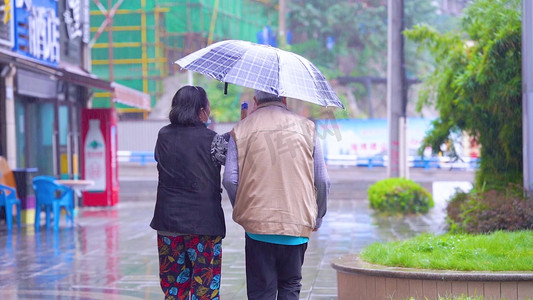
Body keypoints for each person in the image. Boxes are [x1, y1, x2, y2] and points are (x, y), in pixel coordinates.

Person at [223, 90, 330, 300]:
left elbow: (229, 179)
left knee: (261, 290)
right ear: (284, 99)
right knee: (290, 285)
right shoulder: (307, 128)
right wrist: (318, 216)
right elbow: (322, 180)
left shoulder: (241, 129)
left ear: (255, 102)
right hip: (296, 224)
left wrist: (244, 207)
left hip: (257, 228)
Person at [150, 85, 229, 300]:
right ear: (201, 111)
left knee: (174, 288)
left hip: (168, 224)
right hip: (203, 225)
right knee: (204, 290)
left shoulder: (163, 135)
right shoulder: (213, 139)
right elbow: (228, 160)